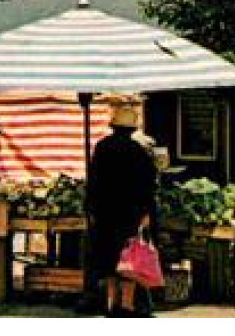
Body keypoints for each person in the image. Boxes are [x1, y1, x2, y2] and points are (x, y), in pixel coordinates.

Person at [87, 99, 158, 318]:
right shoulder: (139, 152)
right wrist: (146, 213)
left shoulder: (102, 148)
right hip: (130, 213)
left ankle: (111, 303)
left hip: (105, 212)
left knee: (109, 259)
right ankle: (127, 305)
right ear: (132, 129)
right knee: (129, 259)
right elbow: (148, 185)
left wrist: (90, 208)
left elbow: (93, 181)